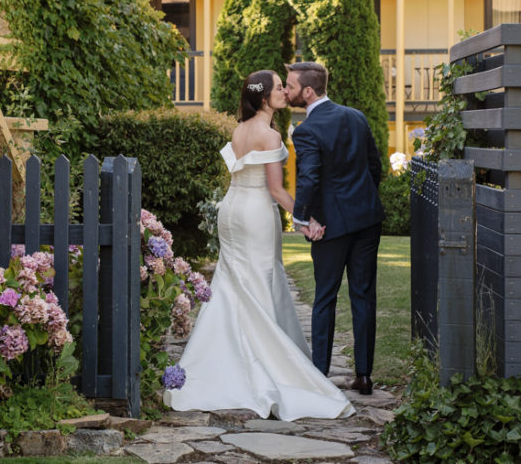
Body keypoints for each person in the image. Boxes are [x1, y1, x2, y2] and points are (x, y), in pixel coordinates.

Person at [164, 70, 354, 420]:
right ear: (265, 97)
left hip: (230, 210)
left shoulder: (239, 129)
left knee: (233, 284)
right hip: (254, 214)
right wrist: (304, 220)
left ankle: (214, 362)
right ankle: (263, 361)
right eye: (279, 88)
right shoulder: (268, 134)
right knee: (258, 280)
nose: (285, 91)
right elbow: (277, 191)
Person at [285, 61, 384, 396]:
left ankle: (320, 375)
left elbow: (309, 178)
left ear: (307, 91)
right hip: (367, 219)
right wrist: (364, 201)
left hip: (330, 227)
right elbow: (375, 166)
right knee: (363, 295)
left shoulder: (306, 130)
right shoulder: (356, 116)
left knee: (325, 297)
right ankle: (365, 375)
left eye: (290, 85)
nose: (286, 91)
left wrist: (301, 218)